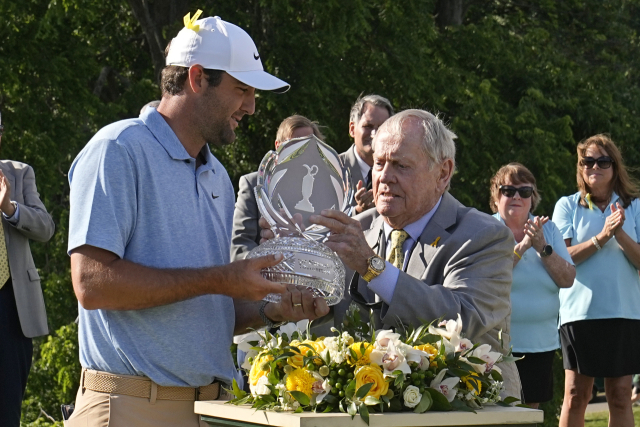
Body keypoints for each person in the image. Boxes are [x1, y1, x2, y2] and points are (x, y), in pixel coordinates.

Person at [66, 13, 328, 427]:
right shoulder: (117, 148)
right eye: (242, 89)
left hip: (212, 410)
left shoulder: (218, 175)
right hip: (130, 409)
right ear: (197, 77)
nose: (252, 107)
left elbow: (208, 308)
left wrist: (273, 308)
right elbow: (92, 284)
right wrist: (220, 279)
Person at [260, 109, 522, 398]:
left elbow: (461, 320)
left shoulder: (483, 236)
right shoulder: (353, 231)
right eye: (378, 163)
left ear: (443, 173)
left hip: (467, 409)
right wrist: (292, 270)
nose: (385, 177)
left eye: (400, 165)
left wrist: (371, 266)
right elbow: (328, 330)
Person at [553, 134, 640, 427]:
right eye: (587, 161)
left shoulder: (634, 205)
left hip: (624, 312)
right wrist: (602, 237)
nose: (595, 167)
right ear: (580, 167)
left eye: (603, 161)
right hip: (579, 314)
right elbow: (564, 258)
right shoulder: (567, 205)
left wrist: (619, 234)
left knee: (620, 395)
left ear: (614, 166)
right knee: (577, 395)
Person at [489, 163, 575, 408]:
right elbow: (491, 278)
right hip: (497, 344)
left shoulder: (547, 229)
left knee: (530, 415)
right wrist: (523, 246)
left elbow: (568, 278)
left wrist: (542, 248)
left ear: (532, 198)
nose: (516, 197)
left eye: (524, 192)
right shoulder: (487, 228)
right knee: (499, 415)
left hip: (540, 343)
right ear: (496, 197)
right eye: (508, 190)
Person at [0, 112, 55, 427]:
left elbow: (46, 228)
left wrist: (10, 208)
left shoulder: (19, 174)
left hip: (12, 310)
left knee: (8, 413)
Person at [230, 115, 325, 261]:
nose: (301, 151)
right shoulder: (252, 184)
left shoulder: (322, 191)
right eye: (293, 144)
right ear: (277, 146)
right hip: (261, 278)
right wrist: (270, 267)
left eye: (308, 145)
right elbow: (240, 245)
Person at [341, 94, 394, 213]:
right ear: (352, 129)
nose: (374, 134)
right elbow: (320, 221)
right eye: (368, 126)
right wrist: (358, 211)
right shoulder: (333, 170)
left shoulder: (400, 170)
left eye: (381, 127)